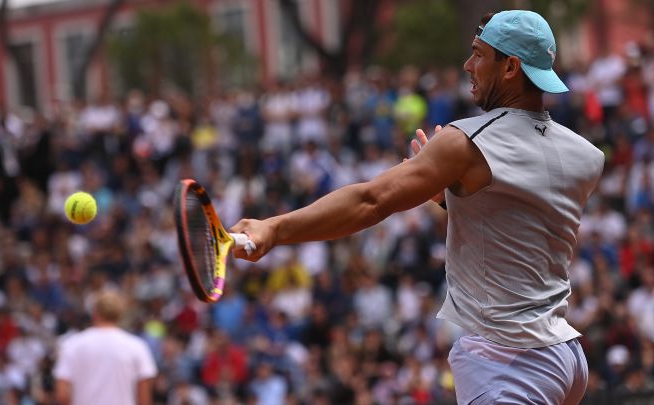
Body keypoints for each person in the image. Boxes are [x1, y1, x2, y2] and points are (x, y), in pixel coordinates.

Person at [231, 10, 605, 405]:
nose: (468, 65)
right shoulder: (585, 156)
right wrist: (450, 193)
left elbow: (370, 201)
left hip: (510, 360)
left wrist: (274, 229)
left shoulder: (468, 142)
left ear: (511, 67)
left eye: (479, 54)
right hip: (564, 357)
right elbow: (523, 216)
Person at [53, 290, 157, 405]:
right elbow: (144, 397)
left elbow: (62, 394)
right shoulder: (137, 346)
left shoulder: (73, 344)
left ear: (94, 313)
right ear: (120, 314)